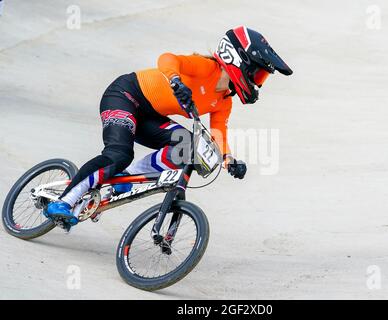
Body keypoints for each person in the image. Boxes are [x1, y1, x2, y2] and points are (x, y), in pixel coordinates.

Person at [45, 25, 293, 226]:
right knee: (118, 154)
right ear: (239, 61)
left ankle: (123, 180)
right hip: (125, 95)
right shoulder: (206, 67)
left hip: (149, 115)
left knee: (186, 145)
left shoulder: (224, 101)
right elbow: (167, 58)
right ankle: (65, 201)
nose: (258, 82)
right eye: (257, 74)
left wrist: (229, 160)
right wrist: (176, 81)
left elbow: (219, 134)